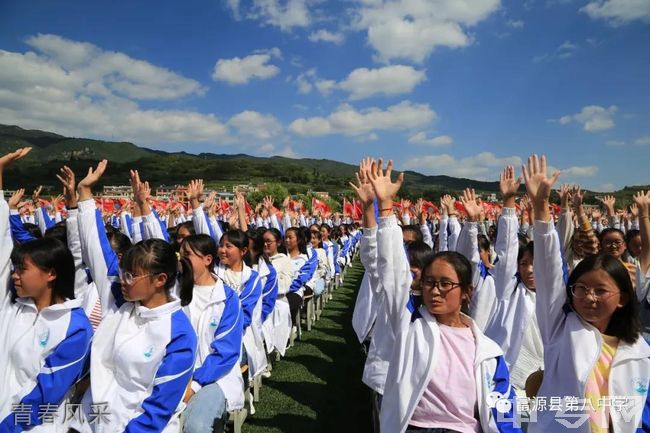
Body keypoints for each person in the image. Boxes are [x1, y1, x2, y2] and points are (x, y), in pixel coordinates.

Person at [366, 159, 519, 433]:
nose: (434, 290)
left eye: (445, 284)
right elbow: (393, 274)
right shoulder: (410, 324)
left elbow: (503, 415)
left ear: (466, 292)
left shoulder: (487, 352)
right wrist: (386, 211)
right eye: (429, 282)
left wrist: (500, 208)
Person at [522, 154, 650, 433]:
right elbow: (549, 273)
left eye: (601, 290)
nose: (589, 297)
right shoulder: (559, 327)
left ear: (624, 298)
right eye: (581, 288)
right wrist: (541, 209)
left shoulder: (639, 351)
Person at [72, 161, 197, 433]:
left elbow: (159, 408)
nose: (123, 280)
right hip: (90, 420)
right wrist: (84, 194)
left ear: (160, 280)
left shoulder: (179, 334)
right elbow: (96, 247)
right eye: (123, 273)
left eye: (131, 275)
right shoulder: (121, 301)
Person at [0, 148, 93, 433]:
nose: (14, 275)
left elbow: (44, 397)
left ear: (51, 273)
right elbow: (2, 247)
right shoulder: (13, 308)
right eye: (14, 268)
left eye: (22, 270)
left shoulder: (75, 327)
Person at [178, 234, 244, 433]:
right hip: (173, 373)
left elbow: (226, 352)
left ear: (207, 259)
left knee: (196, 426)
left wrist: (195, 384)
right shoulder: (172, 290)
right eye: (180, 254)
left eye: (187, 255)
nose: (181, 259)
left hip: (214, 377)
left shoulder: (228, 299)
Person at [262, 228, 293, 355]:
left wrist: (268, 287)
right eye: (263, 241)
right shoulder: (258, 259)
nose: (265, 244)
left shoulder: (283, 259)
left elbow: (285, 285)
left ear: (278, 243)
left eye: (269, 241)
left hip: (277, 300)